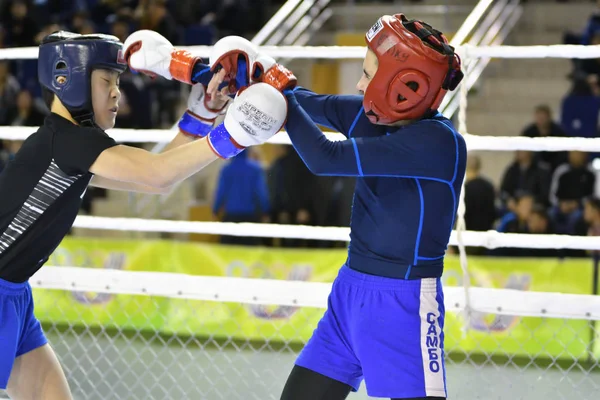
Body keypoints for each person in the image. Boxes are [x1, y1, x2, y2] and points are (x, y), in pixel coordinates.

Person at [125, 14, 465, 399]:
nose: (359, 84)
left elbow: (325, 157)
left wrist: (272, 87)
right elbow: (304, 103)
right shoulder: (376, 118)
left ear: (404, 86)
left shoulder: (438, 144)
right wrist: (187, 66)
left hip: (401, 305)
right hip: (348, 296)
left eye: (369, 75)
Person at [0, 31, 287, 399]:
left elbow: (155, 180)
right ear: (66, 78)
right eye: (106, 80)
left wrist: (203, 115)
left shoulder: (68, 147)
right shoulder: (70, 142)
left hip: (14, 294)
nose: (117, 91)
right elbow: (158, 173)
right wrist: (233, 135)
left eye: (118, 80)